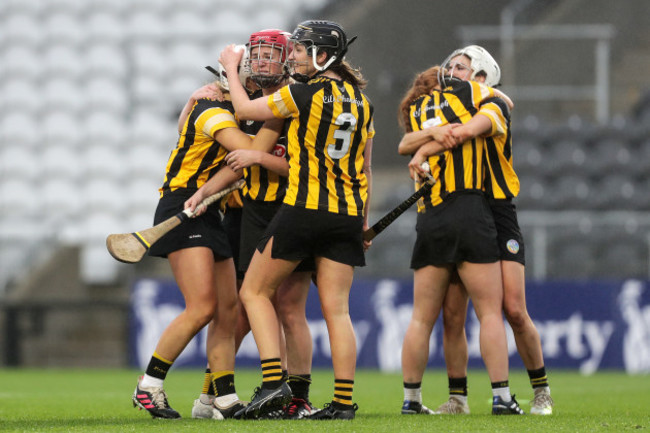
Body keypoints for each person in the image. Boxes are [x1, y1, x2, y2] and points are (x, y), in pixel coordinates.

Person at [215, 20, 374, 420]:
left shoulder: (304, 93)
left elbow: (244, 109)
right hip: (348, 213)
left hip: (305, 209)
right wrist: (363, 225)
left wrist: (232, 69)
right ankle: (341, 404)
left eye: (301, 51)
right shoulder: (362, 101)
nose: (294, 57)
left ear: (323, 55)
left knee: (253, 293)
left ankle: (273, 384)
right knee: (337, 311)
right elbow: (366, 169)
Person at [400, 46, 553, 416]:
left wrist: (421, 152)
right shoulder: (453, 104)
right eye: (450, 65)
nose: (451, 71)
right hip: (465, 209)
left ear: (482, 75)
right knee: (453, 316)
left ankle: (541, 390)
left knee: (514, 309)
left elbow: (470, 127)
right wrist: (421, 149)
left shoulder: (489, 104)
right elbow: (406, 141)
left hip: (497, 212)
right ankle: (458, 398)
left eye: (461, 67)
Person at [131, 51, 281, 420]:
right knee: (202, 307)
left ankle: (223, 400)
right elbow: (248, 153)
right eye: (254, 84)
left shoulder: (228, 113)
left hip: (208, 210)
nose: (260, 91)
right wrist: (279, 115)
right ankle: (149, 385)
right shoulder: (211, 110)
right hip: (182, 207)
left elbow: (239, 165)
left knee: (228, 312)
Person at [186, 29, 318, 420]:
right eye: (255, 54)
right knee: (237, 310)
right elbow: (189, 133)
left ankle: (294, 397)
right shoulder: (232, 95)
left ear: (287, 59)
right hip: (247, 213)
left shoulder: (295, 100)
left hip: (294, 208)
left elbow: (295, 165)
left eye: (269, 54)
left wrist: (257, 159)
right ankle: (214, 393)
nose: (260, 61)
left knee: (290, 309)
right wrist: (200, 96)